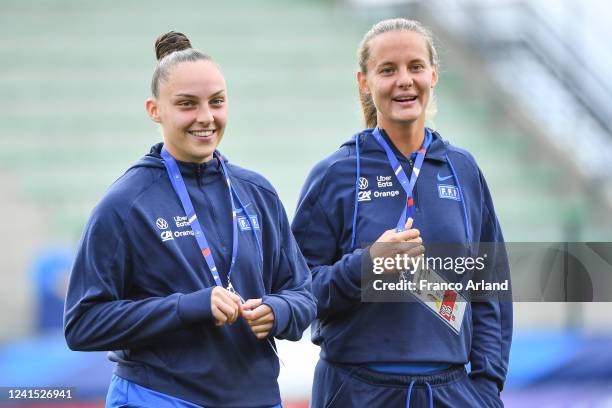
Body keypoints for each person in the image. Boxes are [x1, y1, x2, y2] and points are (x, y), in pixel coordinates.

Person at [64, 31, 316, 408]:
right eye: (187, 104)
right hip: (160, 396)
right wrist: (188, 307)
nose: (205, 117)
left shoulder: (256, 192)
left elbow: (303, 293)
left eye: (216, 102)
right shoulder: (125, 204)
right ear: (155, 110)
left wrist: (278, 311)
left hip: (255, 397)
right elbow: (83, 323)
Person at [291, 18, 512, 407]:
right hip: (356, 390)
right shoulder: (335, 174)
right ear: (364, 82)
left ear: (433, 74)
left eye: (415, 67)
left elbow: (489, 291)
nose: (404, 80)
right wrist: (367, 265)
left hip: (452, 392)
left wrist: (486, 387)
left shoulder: (462, 170)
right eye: (387, 70)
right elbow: (297, 292)